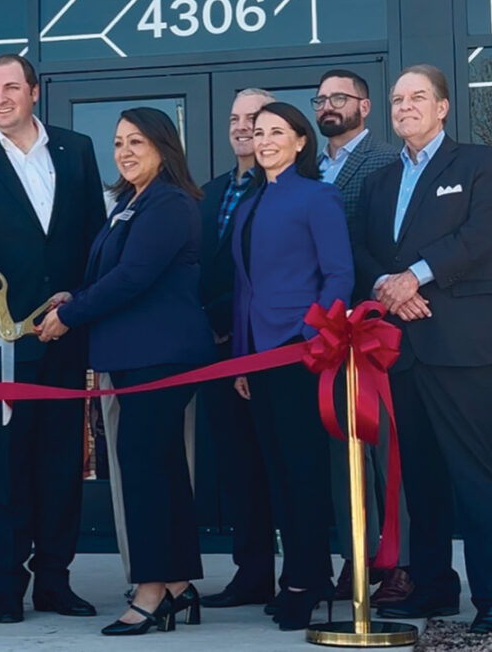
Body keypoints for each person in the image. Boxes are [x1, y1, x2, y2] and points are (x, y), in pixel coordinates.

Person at [0, 54, 106, 624]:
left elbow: (93, 238)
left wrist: (80, 300)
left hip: (65, 332)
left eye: (10, 87)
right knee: (6, 468)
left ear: (34, 91)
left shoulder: (77, 150)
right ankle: (7, 585)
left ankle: (54, 582)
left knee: (63, 466)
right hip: (3, 341)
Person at [355, 64, 492, 634]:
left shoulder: (479, 163)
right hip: (401, 346)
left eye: (417, 97)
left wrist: (416, 277)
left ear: (443, 106)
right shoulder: (378, 181)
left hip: (463, 343)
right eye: (397, 100)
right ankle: (432, 588)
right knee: (419, 477)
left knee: (476, 476)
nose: (405, 107)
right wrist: (388, 287)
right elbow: (364, 250)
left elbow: (481, 236)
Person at [38, 107, 215, 635]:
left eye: (136, 141)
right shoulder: (130, 204)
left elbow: (135, 277)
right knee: (160, 469)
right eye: (118, 143)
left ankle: (151, 591)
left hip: (159, 357)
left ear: (164, 145)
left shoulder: (169, 203)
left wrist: (69, 316)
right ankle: (180, 586)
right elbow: (115, 273)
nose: (125, 151)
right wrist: (76, 294)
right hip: (131, 355)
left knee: (143, 471)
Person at [231, 102, 354, 630]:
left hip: (300, 355)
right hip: (256, 356)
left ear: (301, 140)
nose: (264, 141)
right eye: (258, 133)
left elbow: (339, 276)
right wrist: (240, 358)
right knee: (276, 474)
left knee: (303, 473)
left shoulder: (317, 196)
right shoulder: (249, 202)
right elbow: (244, 288)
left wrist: (311, 338)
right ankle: (298, 576)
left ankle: (307, 580)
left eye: (277, 131)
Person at [312, 68, 412, 606]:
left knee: (384, 450)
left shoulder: (385, 162)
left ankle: (397, 563)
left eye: (340, 98)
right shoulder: (308, 166)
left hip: (374, 327)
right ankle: (356, 558)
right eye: (321, 99)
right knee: (341, 452)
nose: (328, 106)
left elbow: (385, 239)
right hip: (326, 333)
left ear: (365, 106)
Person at [196, 88, 278, 610]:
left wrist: (225, 319)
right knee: (238, 465)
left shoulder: (283, 189)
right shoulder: (208, 192)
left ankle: (301, 575)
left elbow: (270, 273)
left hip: (266, 345)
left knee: (280, 464)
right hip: (213, 350)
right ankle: (251, 575)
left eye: (255, 118)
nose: (242, 126)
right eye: (235, 118)